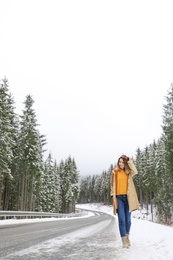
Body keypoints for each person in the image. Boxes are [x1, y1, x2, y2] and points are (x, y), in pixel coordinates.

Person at [110, 154, 139, 248]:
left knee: (128, 221)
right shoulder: (115, 172)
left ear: (125, 163)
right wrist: (112, 195)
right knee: (121, 220)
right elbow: (111, 184)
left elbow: (135, 171)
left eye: (123, 162)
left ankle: (127, 237)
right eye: (120, 162)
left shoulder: (128, 172)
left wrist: (129, 160)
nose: (121, 163)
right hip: (119, 198)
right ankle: (124, 241)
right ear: (118, 163)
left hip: (128, 198)